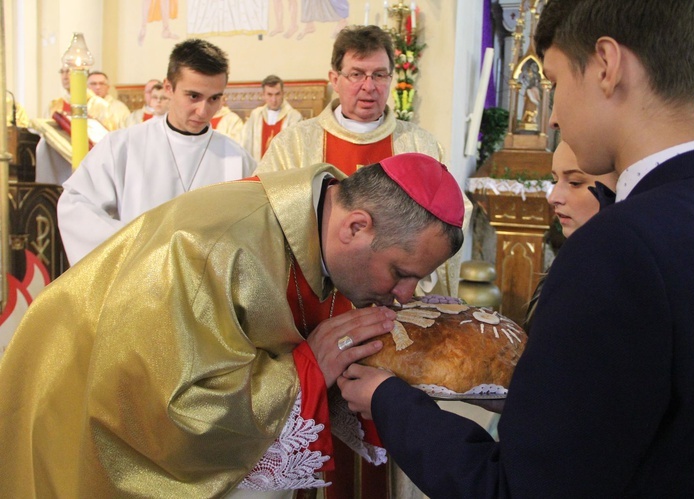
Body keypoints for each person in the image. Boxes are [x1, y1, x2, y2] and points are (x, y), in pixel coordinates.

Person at [338, 1, 694, 497]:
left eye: (553, 82)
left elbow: (519, 489)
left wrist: (388, 400)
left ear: (606, 64)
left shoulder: (614, 249)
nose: (550, 116)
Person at [0, 153, 464, 498]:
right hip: (72, 392)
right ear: (356, 227)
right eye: (402, 273)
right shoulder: (214, 251)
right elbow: (174, 413)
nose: (405, 294)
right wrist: (301, 373)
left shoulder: (317, 218)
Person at [258, 25, 472, 299]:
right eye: (357, 74)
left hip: (394, 301)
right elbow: (264, 216)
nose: (369, 86)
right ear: (335, 79)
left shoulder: (420, 145)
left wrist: (406, 272)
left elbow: (453, 217)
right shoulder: (294, 144)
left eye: (379, 75)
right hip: (314, 299)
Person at [57, 39, 255, 266]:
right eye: (193, 96)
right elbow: (75, 205)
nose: (203, 110)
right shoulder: (123, 146)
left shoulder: (237, 159)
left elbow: (252, 234)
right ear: (169, 88)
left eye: (214, 99)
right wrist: (134, 243)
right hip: (139, 279)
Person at [523, 140, 618, 331]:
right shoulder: (570, 261)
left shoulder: (613, 280)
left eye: (575, 182)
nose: (553, 198)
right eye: (554, 180)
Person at [241, 74, 303, 160]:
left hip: (282, 171)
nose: (274, 100)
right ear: (263, 95)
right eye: (269, 94)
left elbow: (297, 150)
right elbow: (245, 144)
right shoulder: (256, 115)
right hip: (258, 168)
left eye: (277, 94)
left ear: (283, 94)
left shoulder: (294, 117)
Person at [48, 65, 113, 129]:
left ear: (83, 76)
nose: (65, 77)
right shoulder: (55, 104)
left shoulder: (99, 105)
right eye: (62, 72)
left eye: (69, 72)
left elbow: (107, 134)